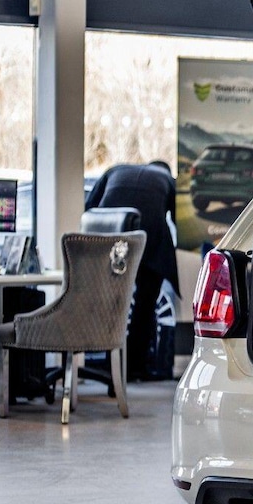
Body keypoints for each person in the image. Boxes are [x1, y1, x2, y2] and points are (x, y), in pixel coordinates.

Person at [85, 160, 179, 380]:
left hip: (110, 238)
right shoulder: (167, 179)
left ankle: (107, 363)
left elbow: (89, 207)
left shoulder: (115, 169)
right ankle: (135, 367)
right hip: (150, 241)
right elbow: (177, 219)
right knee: (145, 307)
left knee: (110, 302)